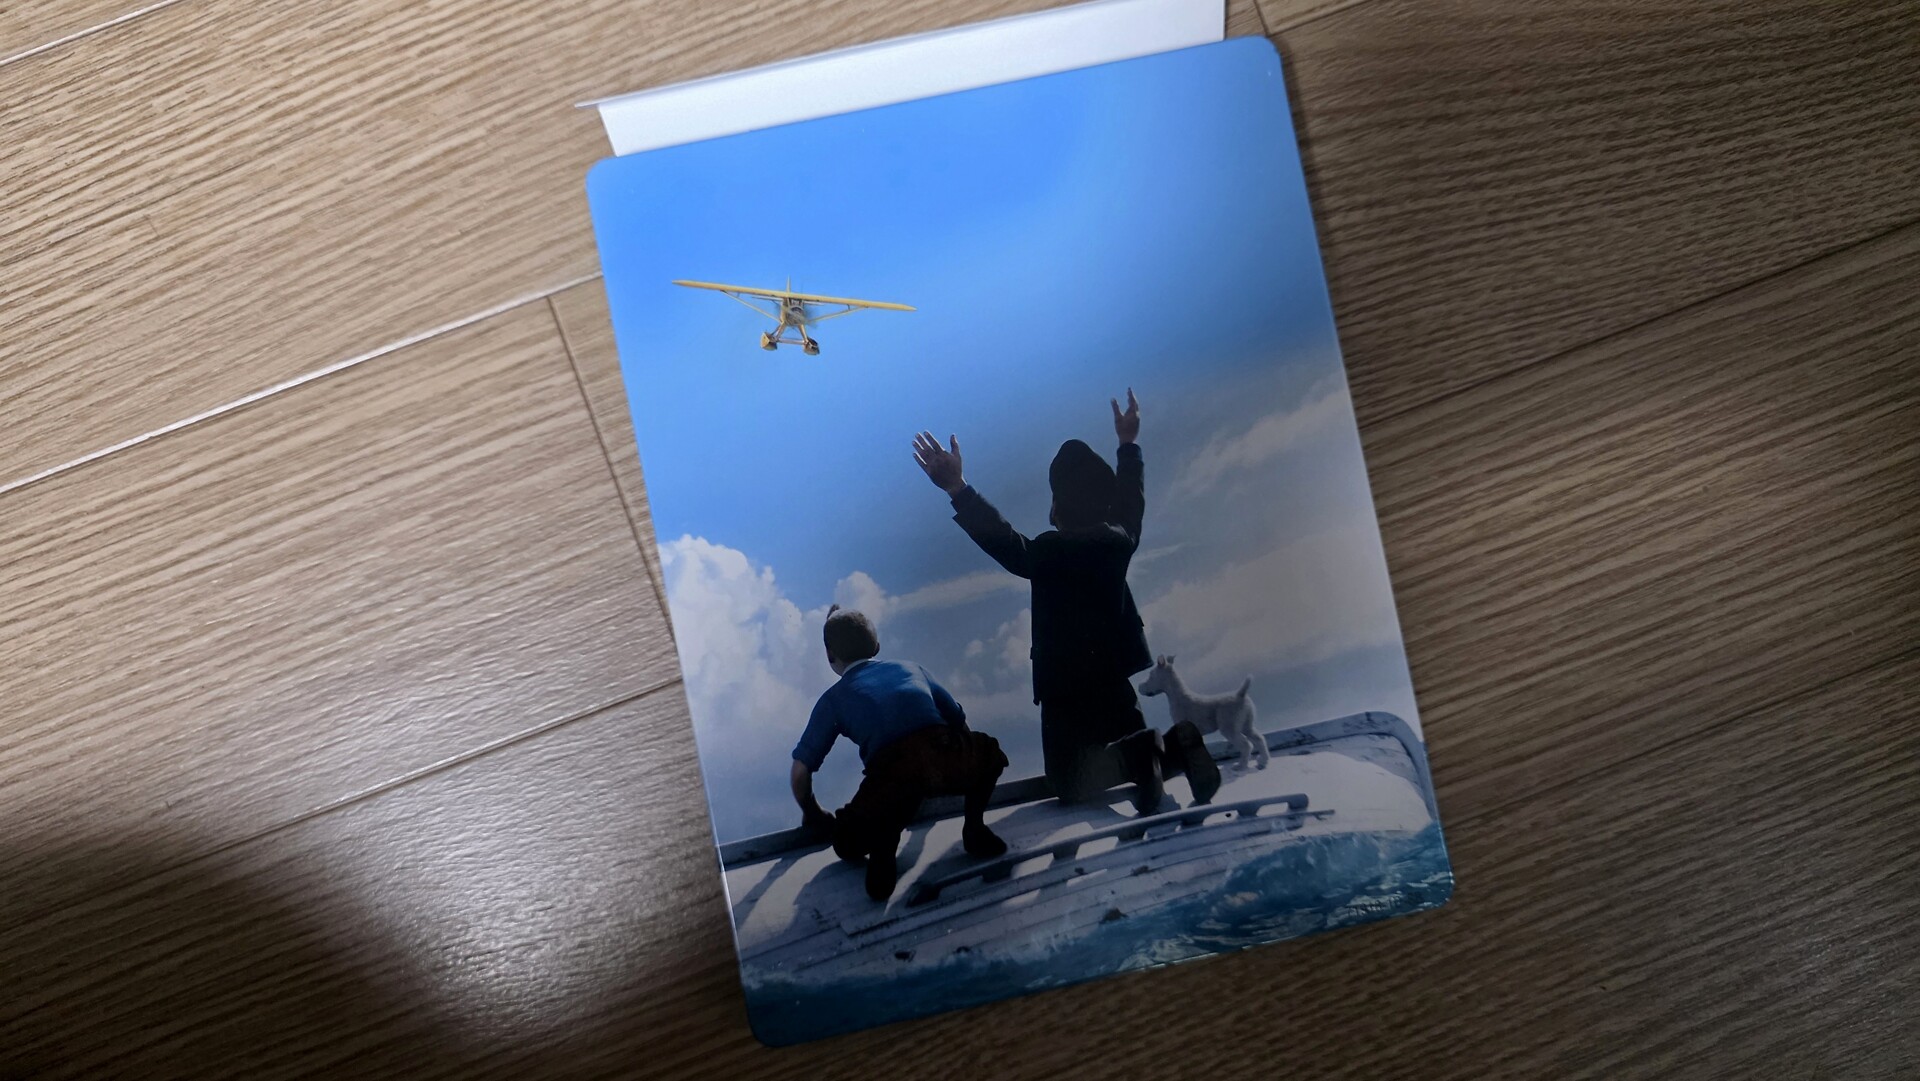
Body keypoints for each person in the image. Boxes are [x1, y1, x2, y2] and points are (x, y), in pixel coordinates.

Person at [911, 390, 1220, 815]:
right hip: (1114, 677)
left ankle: (1141, 751)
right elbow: (1132, 502)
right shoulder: (1118, 540)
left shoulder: (1048, 551)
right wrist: (1128, 445)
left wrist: (956, 487)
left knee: (1070, 780)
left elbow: (1005, 541)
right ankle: (1174, 745)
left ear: (1058, 506)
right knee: (1134, 754)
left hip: (1066, 690)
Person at [791, 606, 1010, 902]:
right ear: (877, 647)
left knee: (846, 841)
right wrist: (958, 765)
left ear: (830, 655)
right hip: (943, 751)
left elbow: (800, 772)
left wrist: (813, 813)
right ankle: (974, 828)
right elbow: (960, 724)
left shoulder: (833, 700)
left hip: (892, 776)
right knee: (988, 751)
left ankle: (884, 846)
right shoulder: (912, 669)